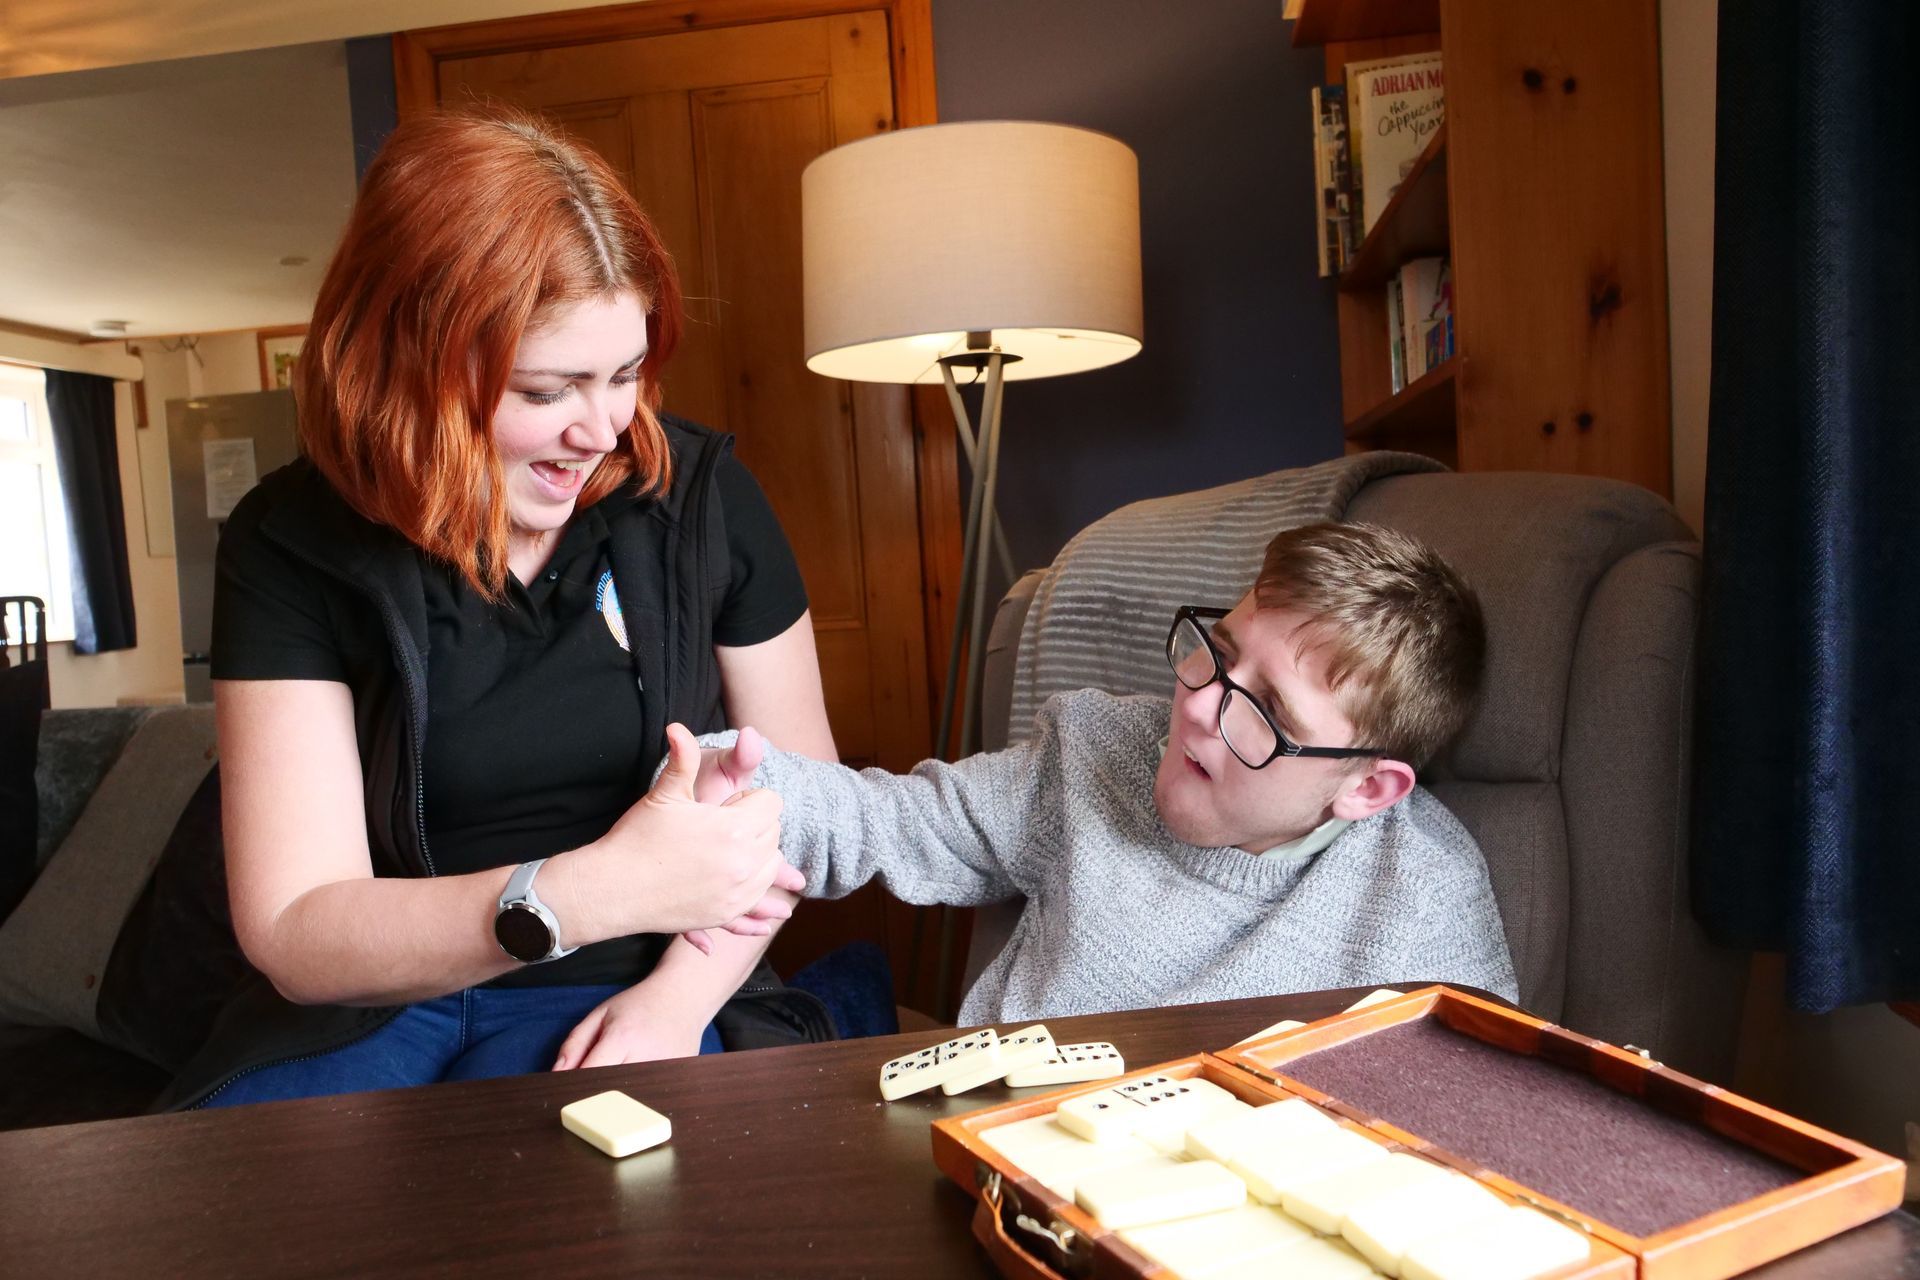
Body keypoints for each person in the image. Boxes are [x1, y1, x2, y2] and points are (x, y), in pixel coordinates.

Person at [158, 107, 838, 1111]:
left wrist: (675, 1001)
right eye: (547, 388)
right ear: (410, 366)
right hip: (381, 1000)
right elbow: (299, 928)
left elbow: (812, 811)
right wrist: (583, 892)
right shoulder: (289, 539)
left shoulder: (701, 500)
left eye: (625, 375)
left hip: (644, 978)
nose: (602, 429)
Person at [584, 521, 1515, 1041]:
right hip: (984, 1152)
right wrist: (727, 771)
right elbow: (889, 819)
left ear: (1368, 790)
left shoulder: (1423, 895)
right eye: (1216, 654)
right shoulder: (1097, 750)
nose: (1198, 706)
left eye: (1264, 711)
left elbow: (1471, 1143)